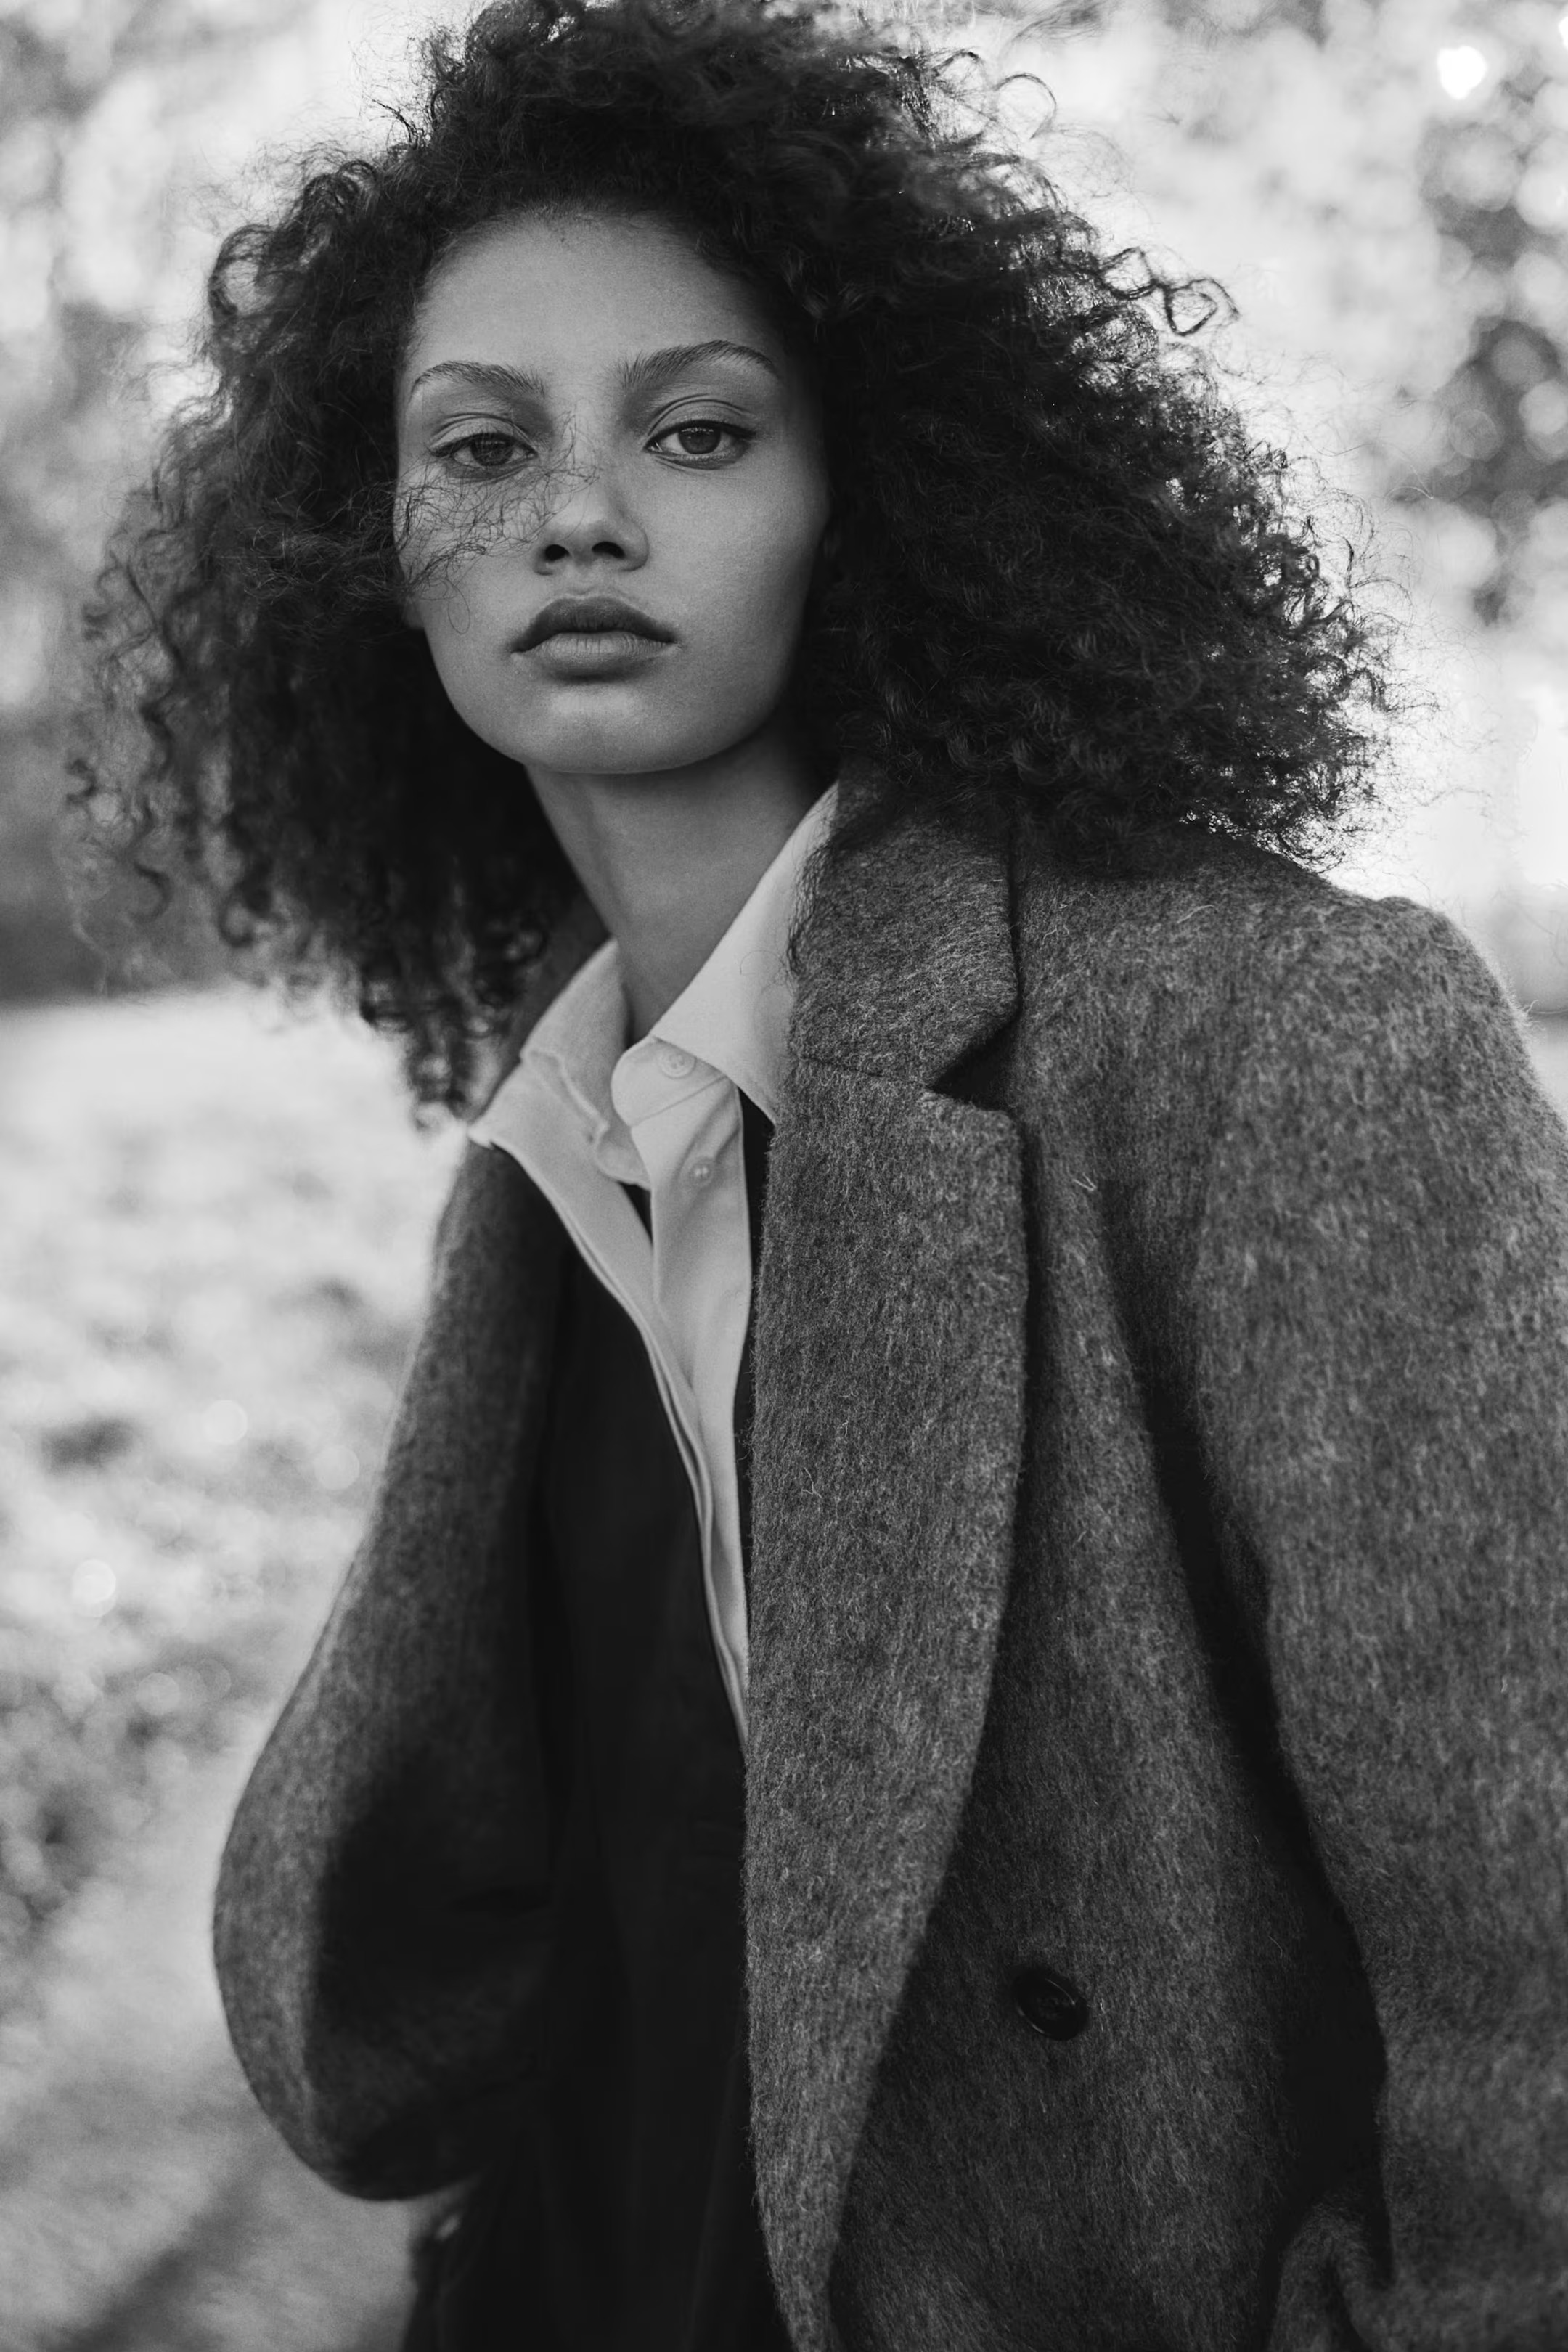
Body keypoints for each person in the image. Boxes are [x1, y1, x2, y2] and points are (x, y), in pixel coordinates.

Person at [73, 0, 1568, 2345]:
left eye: (698, 429)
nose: (578, 513)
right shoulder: (553, 1155)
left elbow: (1536, 1954)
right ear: (369, 550)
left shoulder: (1272, 1038)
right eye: (481, 444)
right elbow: (468, 1974)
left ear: (868, 493)